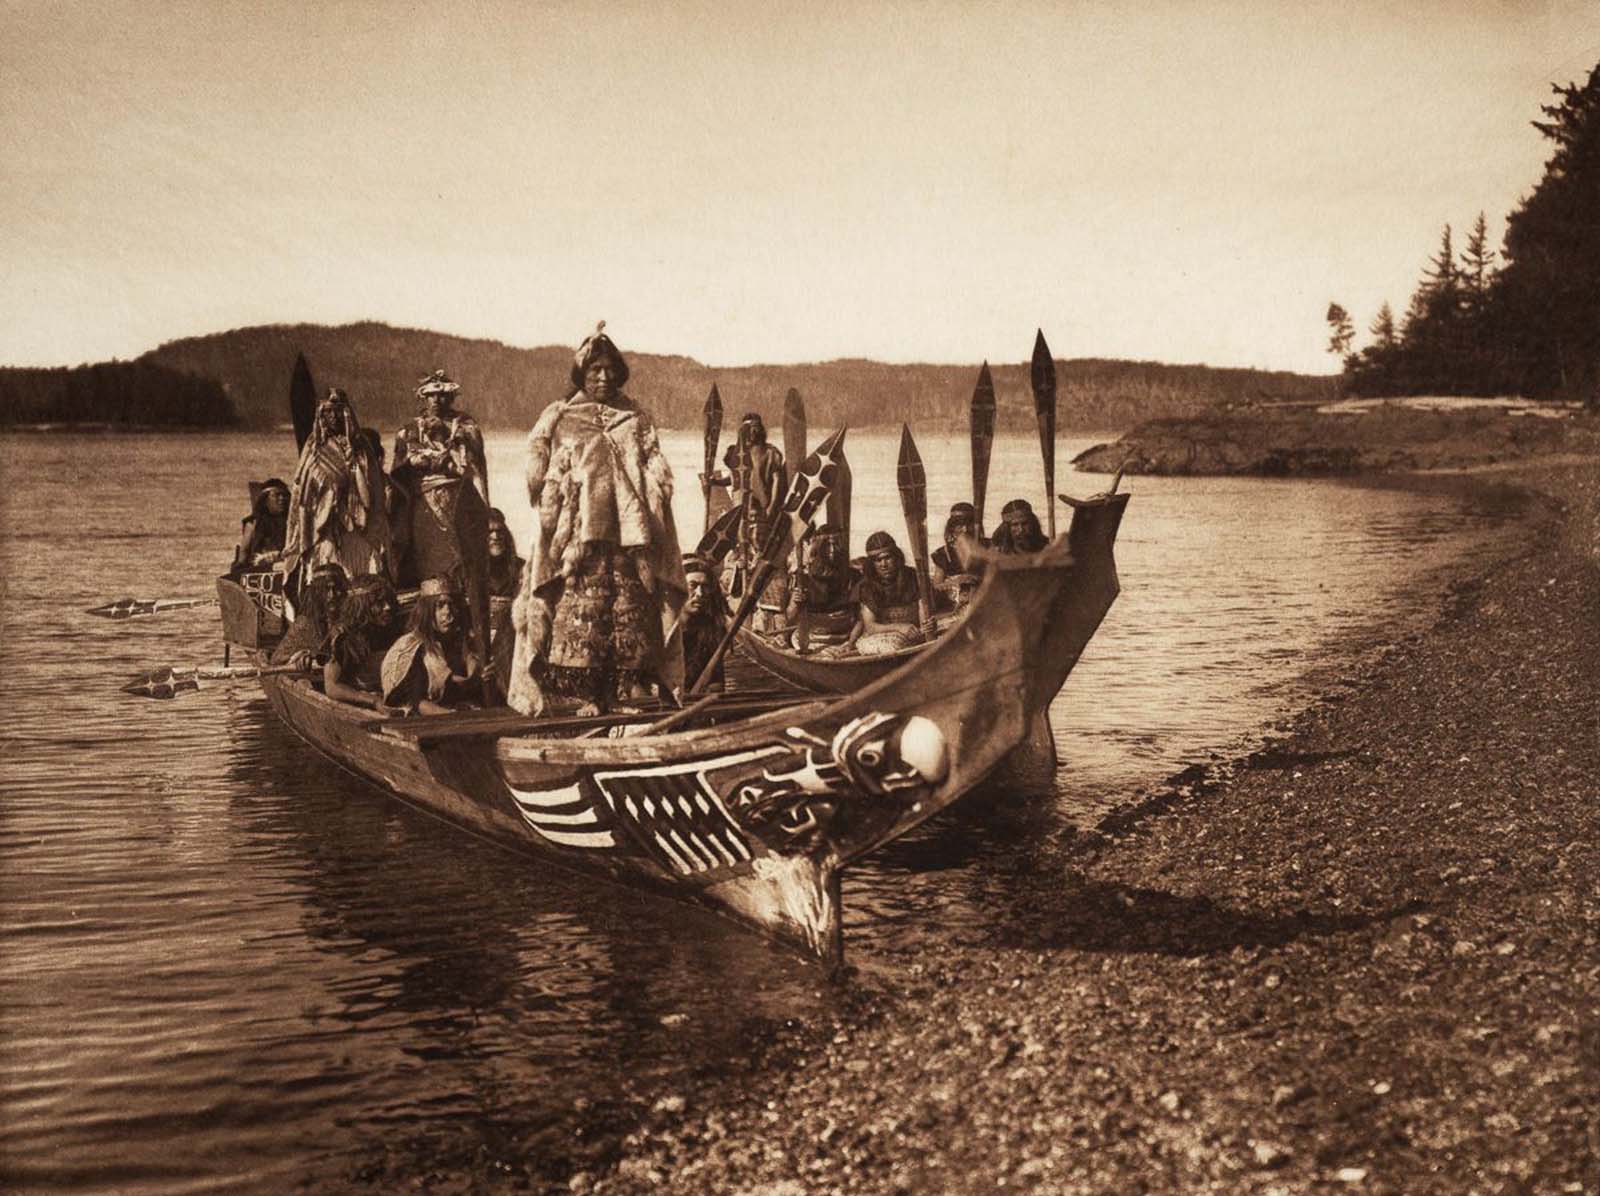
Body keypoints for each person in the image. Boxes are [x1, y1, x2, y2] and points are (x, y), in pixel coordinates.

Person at [507, 324, 686, 717]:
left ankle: (623, 693)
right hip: (579, 539)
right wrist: (552, 499)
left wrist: (658, 486)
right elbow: (546, 470)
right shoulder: (563, 416)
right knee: (580, 611)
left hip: (629, 536)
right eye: (594, 370)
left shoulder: (635, 417)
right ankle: (587, 696)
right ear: (582, 374)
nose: (603, 377)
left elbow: (652, 459)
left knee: (629, 609)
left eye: (609, 370)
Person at [391, 369, 492, 690]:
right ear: (422, 397)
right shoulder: (408, 431)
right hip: (423, 511)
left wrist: (485, 511)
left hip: (461, 506)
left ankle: (473, 656)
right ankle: (426, 661)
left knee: (464, 574)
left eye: (442, 394)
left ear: (450, 396)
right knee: (429, 579)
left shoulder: (466, 426)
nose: (436, 400)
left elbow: (477, 470)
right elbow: (398, 477)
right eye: (430, 394)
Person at [282, 388, 391, 584]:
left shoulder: (360, 446)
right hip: (323, 525)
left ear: (346, 412)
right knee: (325, 572)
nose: (333, 417)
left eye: (338, 411)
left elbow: (374, 491)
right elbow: (302, 491)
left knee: (360, 572)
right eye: (327, 412)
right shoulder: (313, 447)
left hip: (357, 525)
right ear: (321, 415)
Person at [381, 577, 484, 714]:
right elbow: (414, 702)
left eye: (452, 605)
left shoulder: (466, 645)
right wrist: (452, 716)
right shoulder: (412, 647)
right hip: (431, 719)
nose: (448, 613)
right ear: (426, 612)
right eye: (439, 606)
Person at [322, 574, 402, 710]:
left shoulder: (393, 628)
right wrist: (373, 701)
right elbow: (332, 686)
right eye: (379, 603)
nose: (388, 607)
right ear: (361, 606)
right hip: (365, 704)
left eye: (388, 601)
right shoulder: (344, 638)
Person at [847, 530, 930, 655]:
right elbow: (871, 626)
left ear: (896, 557)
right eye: (877, 560)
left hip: (914, 635)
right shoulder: (867, 586)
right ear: (872, 563)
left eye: (887, 558)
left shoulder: (913, 576)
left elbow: (923, 612)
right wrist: (900, 627)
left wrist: (928, 625)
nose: (883, 565)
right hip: (881, 639)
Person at [784, 523, 858, 652]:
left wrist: (852, 641)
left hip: (846, 635)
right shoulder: (803, 577)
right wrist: (796, 602)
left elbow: (860, 615)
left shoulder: (853, 576)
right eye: (827, 544)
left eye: (836, 544)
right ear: (817, 547)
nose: (832, 550)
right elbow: (790, 616)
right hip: (813, 638)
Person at [269, 562, 349, 670]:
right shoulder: (305, 624)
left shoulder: (351, 621)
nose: (332, 595)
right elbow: (276, 663)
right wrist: (298, 657)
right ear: (317, 592)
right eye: (326, 590)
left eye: (337, 589)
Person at [485, 508, 525, 697]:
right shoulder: (462, 572)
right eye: (489, 532)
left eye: (499, 531)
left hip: (511, 644)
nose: (495, 536)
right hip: (476, 644)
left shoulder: (520, 568)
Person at [677, 553, 730, 692]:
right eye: (692, 585)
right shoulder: (659, 630)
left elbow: (716, 681)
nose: (700, 593)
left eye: (704, 586)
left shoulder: (713, 629)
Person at [233, 478, 290, 572]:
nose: (281, 499)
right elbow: (243, 558)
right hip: (260, 569)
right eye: (276, 495)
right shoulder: (253, 524)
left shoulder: (292, 523)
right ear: (265, 500)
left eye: (284, 495)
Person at [930, 502, 985, 586]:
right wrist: (957, 581)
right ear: (952, 528)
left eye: (969, 525)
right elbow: (937, 586)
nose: (965, 529)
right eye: (960, 525)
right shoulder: (944, 554)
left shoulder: (988, 547)